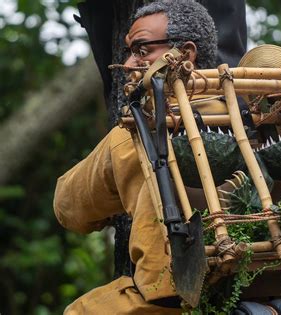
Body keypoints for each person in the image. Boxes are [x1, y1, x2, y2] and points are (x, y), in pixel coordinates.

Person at [54, 1, 220, 313]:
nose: (129, 63)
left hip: (170, 299)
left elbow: (69, 207)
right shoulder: (254, 115)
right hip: (275, 289)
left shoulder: (133, 134)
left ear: (187, 53)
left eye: (142, 50)